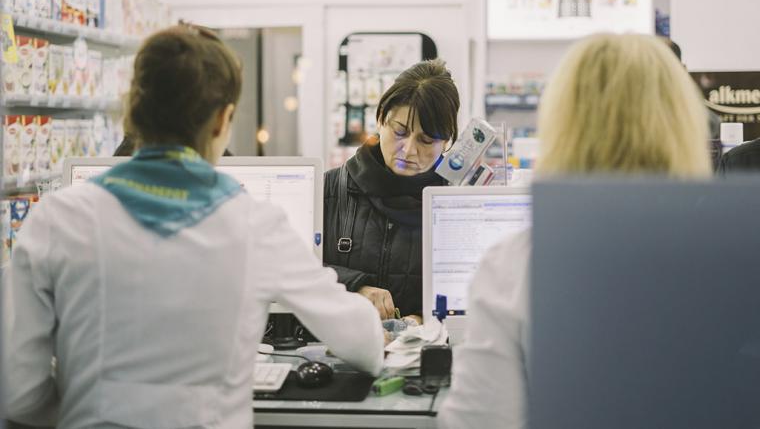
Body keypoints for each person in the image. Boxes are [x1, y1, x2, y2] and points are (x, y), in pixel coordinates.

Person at [1, 25, 383, 428]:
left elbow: (19, 398)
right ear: (223, 120)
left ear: (133, 110)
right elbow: (362, 342)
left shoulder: (57, 220)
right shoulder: (257, 226)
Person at [437, 33, 712, 429]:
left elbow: (479, 421)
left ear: (563, 125)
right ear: (681, 121)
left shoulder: (514, 266)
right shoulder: (730, 251)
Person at [323, 59, 460, 320]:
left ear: (446, 142)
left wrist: (422, 319)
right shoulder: (330, 191)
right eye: (400, 132)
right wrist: (353, 286)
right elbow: (292, 268)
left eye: (426, 140)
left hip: (421, 355)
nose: (409, 150)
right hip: (333, 353)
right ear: (380, 120)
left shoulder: (453, 205)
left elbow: (466, 291)